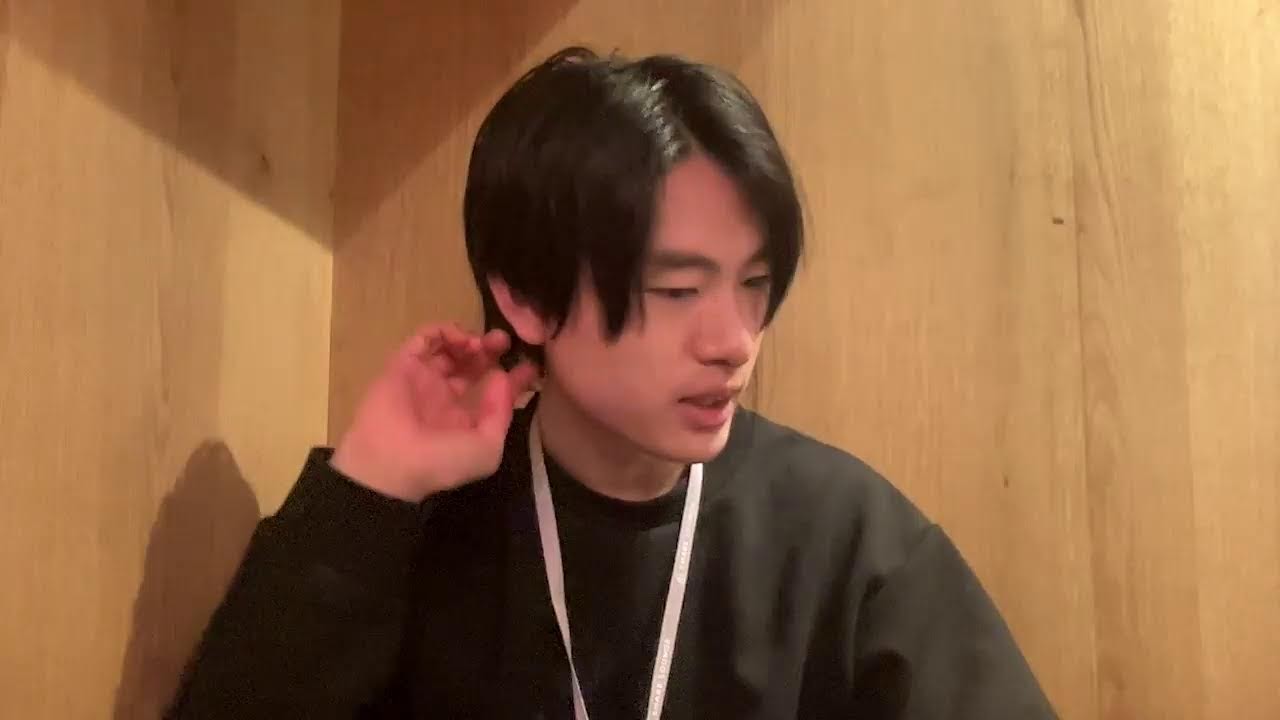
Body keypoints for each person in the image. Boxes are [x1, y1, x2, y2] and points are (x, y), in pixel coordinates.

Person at [166, 46, 1055, 719]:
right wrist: (368, 490)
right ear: (525, 295)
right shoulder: (426, 528)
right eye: (678, 290)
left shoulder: (845, 535)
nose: (735, 341)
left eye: (754, 283)